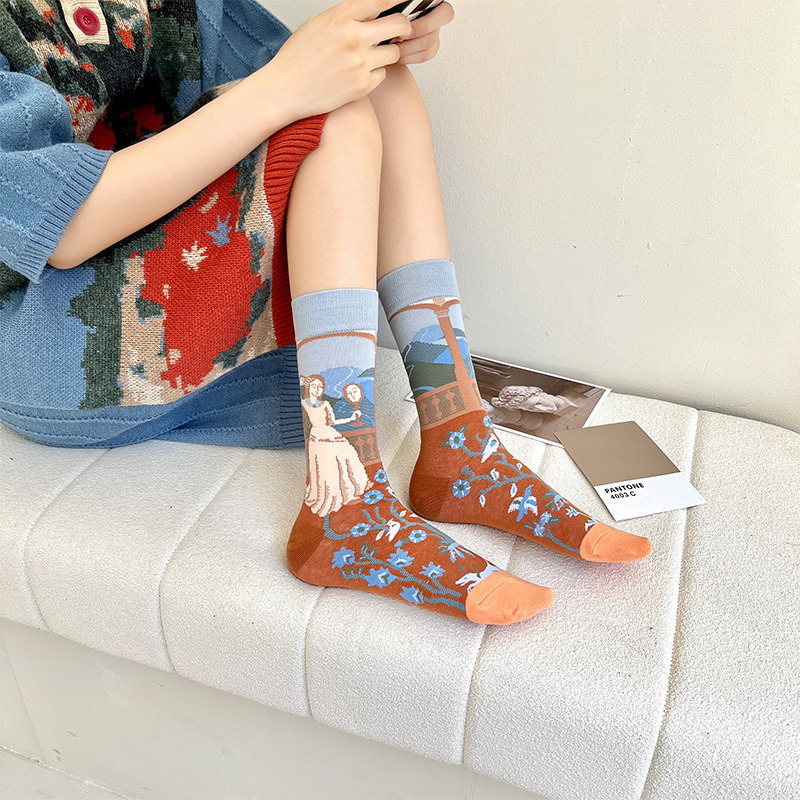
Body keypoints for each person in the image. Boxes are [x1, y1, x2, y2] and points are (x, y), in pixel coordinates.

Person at [0, 0, 652, 628]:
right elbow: (60, 230)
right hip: (61, 335)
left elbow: (280, 70)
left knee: (376, 78)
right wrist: (287, 84)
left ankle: (460, 439)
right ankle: (344, 504)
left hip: (167, 266)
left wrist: (362, 41)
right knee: (336, 118)